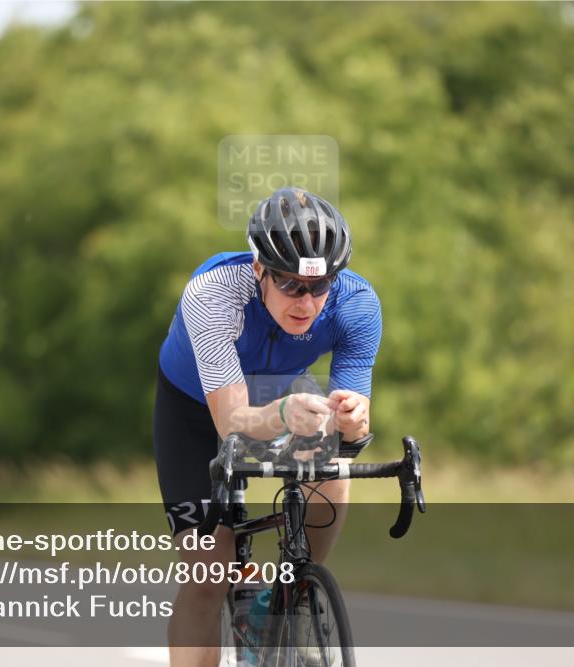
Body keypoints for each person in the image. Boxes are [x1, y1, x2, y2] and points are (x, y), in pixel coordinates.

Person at [153, 187, 382, 667]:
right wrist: (283, 414)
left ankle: (290, 593)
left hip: (282, 393)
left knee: (330, 466)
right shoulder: (213, 293)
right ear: (260, 269)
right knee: (209, 574)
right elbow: (231, 420)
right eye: (291, 286)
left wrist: (353, 423)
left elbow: (350, 428)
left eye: (319, 287)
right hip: (197, 406)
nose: (306, 301)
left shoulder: (358, 304)